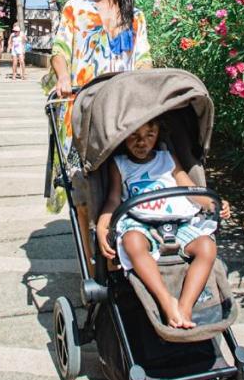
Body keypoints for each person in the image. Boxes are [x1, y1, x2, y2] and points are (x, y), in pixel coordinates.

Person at [95, 119, 231, 329]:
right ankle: (166, 301)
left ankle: (185, 306)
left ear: (159, 134)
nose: (142, 142)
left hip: (177, 220)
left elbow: (188, 186)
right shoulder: (120, 163)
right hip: (141, 221)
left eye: (150, 135)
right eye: (134, 135)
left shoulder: (167, 158)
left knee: (207, 246)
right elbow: (113, 199)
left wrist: (214, 203)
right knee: (132, 242)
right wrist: (103, 226)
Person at [47, 0, 151, 153]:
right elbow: (60, 50)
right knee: (77, 175)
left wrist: (143, 89)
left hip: (120, 108)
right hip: (80, 101)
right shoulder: (76, 8)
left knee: (119, 169)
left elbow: (143, 59)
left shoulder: (135, 16)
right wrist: (64, 77)